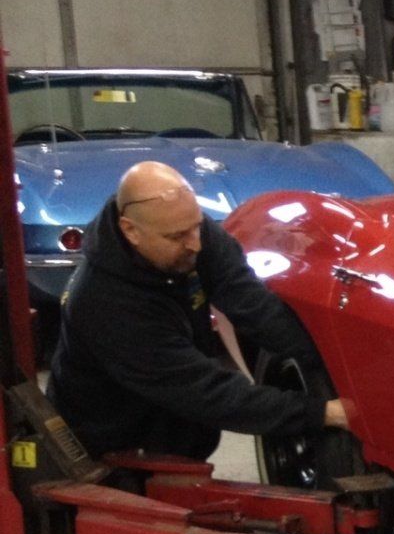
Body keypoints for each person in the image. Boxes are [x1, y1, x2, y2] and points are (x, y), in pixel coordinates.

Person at [48, 160, 349, 462]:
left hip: (173, 432)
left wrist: (332, 362)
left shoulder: (189, 231)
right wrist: (321, 413)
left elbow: (254, 306)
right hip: (109, 448)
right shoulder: (106, 304)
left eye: (197, 226)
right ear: (131, 231)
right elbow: (206, 392)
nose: (195, 244)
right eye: (178, 237)